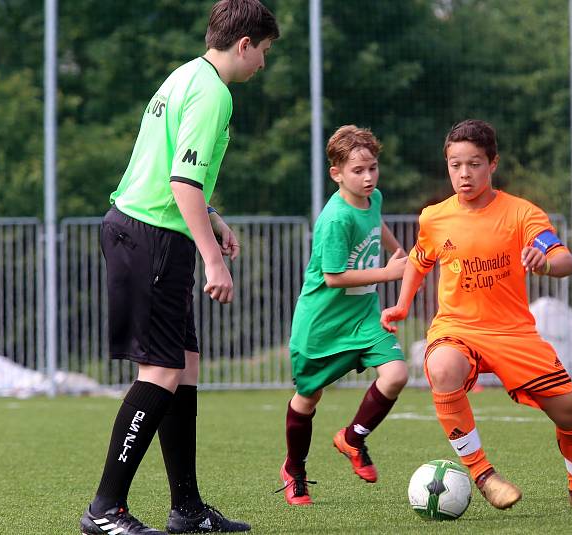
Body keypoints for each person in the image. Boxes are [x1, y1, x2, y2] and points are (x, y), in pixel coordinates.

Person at [80, 2, 279, 534]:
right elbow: (182, 183)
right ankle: (105, 510)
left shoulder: (186, 74)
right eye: (263, 51)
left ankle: (186, 509)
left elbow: (173, 170)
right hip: (150, 237)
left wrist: (212, 219)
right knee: (162, 371)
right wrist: (214, 260)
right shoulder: (215, 91)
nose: (263, 62)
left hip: (150, 229)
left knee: (184, 366)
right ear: (244, 45)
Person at [380, 119, 572, 512]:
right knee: (441, 367)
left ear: (493, 164)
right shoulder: (434, 217)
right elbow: (419, 261)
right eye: (455, 164)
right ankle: (483, 475)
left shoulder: (521, 214)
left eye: (474, 164)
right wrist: (402, 305)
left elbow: (565, 259)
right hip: (457, 328)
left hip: (513, 333)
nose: (464, 174)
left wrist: (546, 265)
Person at [277, 125, 409, 506]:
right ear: (336, 173)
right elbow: (334, 277)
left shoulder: (374, 197)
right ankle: (295, 470)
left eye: (373, 167)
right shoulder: (336, 219)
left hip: (363, 317)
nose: (368, 177)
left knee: (397, 374)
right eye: (358, 171)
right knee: (307, 399)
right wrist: (388, 272)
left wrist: (399, 251)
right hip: (322, 325)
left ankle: (353, 438)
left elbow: (377, 222)